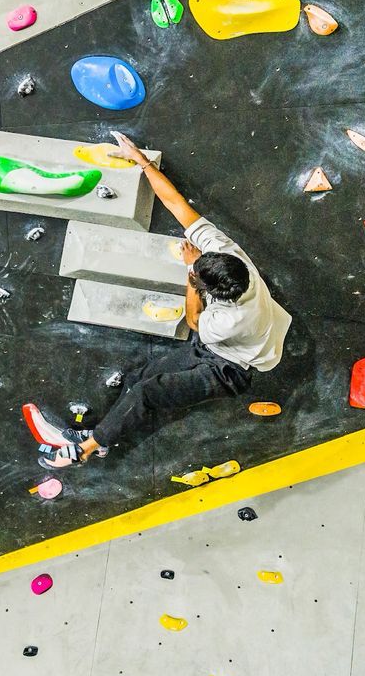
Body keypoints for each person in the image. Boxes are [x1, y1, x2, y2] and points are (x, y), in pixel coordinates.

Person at [25, 131, 292, 467]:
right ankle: (105, 436)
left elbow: (194, 320)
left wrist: (190, 276)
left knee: (148, 393)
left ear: (213, 291)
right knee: (143, 375)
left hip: (230, 367)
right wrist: (141, 160)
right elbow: (177, 204)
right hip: (219, 343)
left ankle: (84, 450)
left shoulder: (230, 319)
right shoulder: (231, 257)